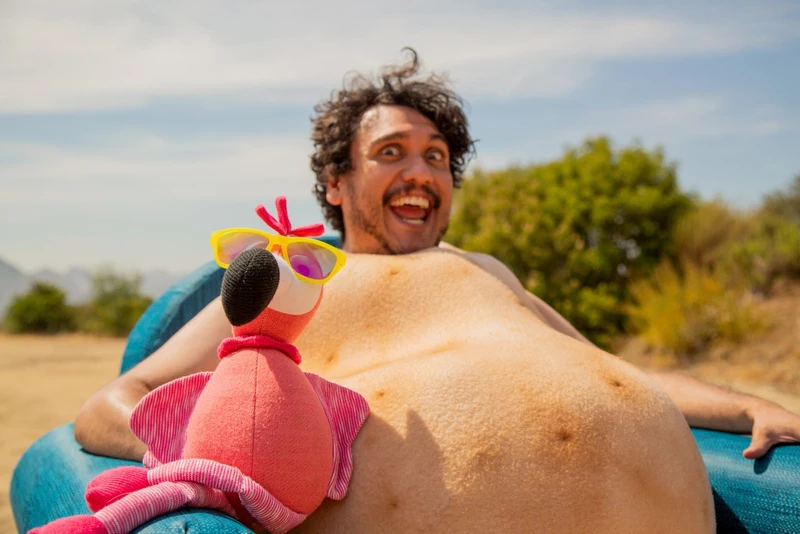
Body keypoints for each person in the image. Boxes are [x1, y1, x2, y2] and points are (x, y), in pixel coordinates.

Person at [74, 50, 799, 531]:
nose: (420, 171)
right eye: (390, 153)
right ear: (336, 183)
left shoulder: (484, 268)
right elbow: (115, 402)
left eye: (437, 156)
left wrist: (747, 405)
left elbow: (617, 370)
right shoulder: (294, 282)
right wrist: (230, 447)